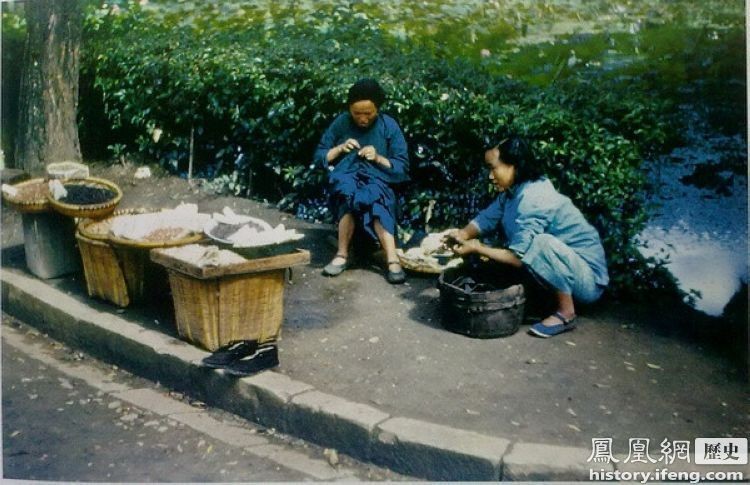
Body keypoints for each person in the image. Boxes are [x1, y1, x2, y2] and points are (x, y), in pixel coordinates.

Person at [447, 136, 609, 337]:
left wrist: (476, 247)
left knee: (540, 243)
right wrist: (461, 234)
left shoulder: (534, 198)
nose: (490, 176)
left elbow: (517, 258)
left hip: (589, 281)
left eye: (493, 168)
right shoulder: (513, 191)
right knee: (501, 251)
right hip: (568, 269)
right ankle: (543, 301)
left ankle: (566, 313)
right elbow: (487, 218)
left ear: (513, 165)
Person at [314, 79, 410, 284]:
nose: (363, 119)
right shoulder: (341, 122)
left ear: (378, 108)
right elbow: (319, 156)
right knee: (348, 194)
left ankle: (392, 259)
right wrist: (340, 148)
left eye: (368, 113)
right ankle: (341, 254)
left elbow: (402, 166)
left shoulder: (388, 125)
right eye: (357, 113)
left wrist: (378, 158)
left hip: (379, 179)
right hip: (347, 176)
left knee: (378, 199)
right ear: (349, 109)